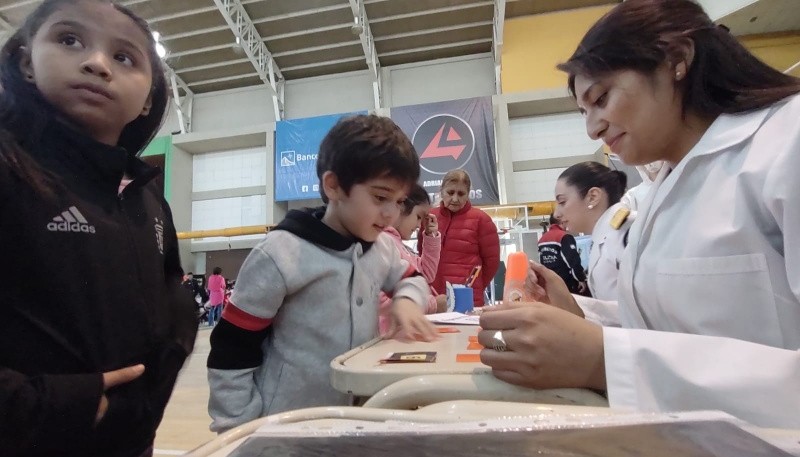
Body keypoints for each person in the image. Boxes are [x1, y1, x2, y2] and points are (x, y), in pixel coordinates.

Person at [477, 0, 800, 428]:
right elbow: (667, 327)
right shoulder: (660, 190)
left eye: (601, 98)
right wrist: (575, 314)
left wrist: (603, 359)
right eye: (583, 112)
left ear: (677, 60)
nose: (592, 128)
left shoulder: (786, 142)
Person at [0, 1, 198, 456]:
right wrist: (64, 405)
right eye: (69, 40)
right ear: (27, 62)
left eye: (124, 57)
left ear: (149, 96)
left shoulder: (147, 198)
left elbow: (171, 289)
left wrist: (155, 381)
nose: (96, 63)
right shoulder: (11, 170)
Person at [207, 114, 438, 432]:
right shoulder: (280, 254)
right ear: (334, 186)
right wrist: (238, 427)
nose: (391, 213)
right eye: (380, 197)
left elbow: (413, 278)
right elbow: (231, 348)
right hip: (285, 429)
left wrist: (408, 301)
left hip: (357, 422)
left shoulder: (382, 248)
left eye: (399, 202)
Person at [552, 162, 631, 305]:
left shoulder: (629, 234)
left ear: (593, 197)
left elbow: (642, 311)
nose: (557, 213)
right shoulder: (601, 239)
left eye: (562, 202)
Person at [419, 169, 500, 307]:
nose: (455, 199)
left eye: (461, 194)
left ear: (468, 194)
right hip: (434, 296)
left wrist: (475, 285)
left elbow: (491, 263)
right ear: (441, 191)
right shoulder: (429, 217)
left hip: (468, 298)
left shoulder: (482, 220)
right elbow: (423, 256)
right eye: (450, 193)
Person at [378, 184, 447, 334]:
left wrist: (431, 236)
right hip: (387, 336)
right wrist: (431, 304)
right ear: (401, 207)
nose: (419, 225)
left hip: (400, 335)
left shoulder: (399, 245)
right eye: (418, 217)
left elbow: (425, 275)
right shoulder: (382, 243)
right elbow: (380, 299)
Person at [537, 214, 587, 295]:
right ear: (562, 221)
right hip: (566, 284)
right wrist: (580, 278)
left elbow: (541, 263)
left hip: (550, 284)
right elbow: (573, 260)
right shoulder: (564, 236)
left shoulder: (542, 240)